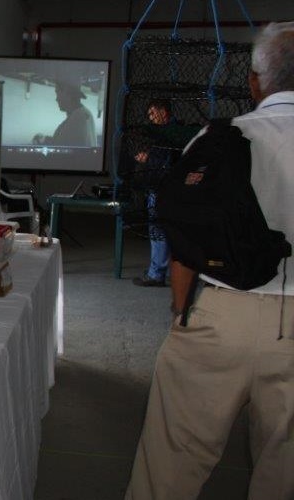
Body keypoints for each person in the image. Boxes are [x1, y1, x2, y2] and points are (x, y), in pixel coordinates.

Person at [126, 22, 294, 499]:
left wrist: (182, 310)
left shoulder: (223, 137)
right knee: (285, 468)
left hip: (223, 309)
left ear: (255, 81)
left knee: (173, 457)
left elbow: (186, 229)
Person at [130, 99, 199, 287]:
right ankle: (167, 271)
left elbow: (163, 163)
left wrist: (147, 159)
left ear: (163, 112)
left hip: (162, 189)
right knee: (172, 231)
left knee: (158, 231)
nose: (151, 118)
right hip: (175, 190)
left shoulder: (167, 134)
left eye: (153, 113)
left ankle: (156, 273)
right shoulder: (180, 132)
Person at [34, 81, 96, 147]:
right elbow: (66, 141)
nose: (56, 99)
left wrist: (44, 141)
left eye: (57, 93)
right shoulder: (84, 113)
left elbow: (61, 149)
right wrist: (45, 139)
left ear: (66, 93)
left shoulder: (78, 119)